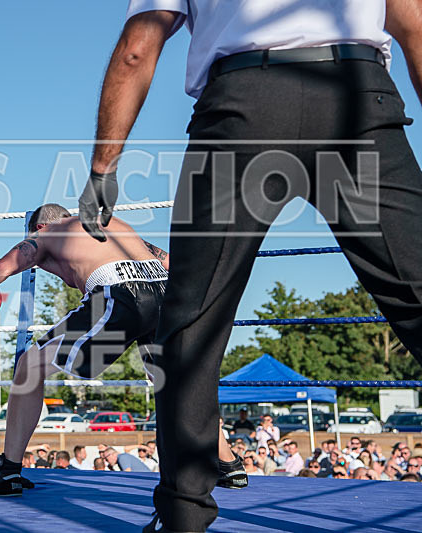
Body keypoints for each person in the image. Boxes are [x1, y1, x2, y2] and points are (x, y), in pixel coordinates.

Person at [78, 1, 422, 530]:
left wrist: (103, 165)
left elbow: (137, 49)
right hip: (359, 98)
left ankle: (184, 517)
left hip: (244, 105)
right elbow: (413, 23)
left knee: (191, 324)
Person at [0, 204, 244, 495]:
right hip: (165, 295)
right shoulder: (111, 224)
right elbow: (172, 264)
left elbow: (0, 269)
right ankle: (229, 465)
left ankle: (8, 471)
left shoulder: (46, 236)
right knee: (175, 383)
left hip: (121, 296)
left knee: (30, 367)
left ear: (39, 228)